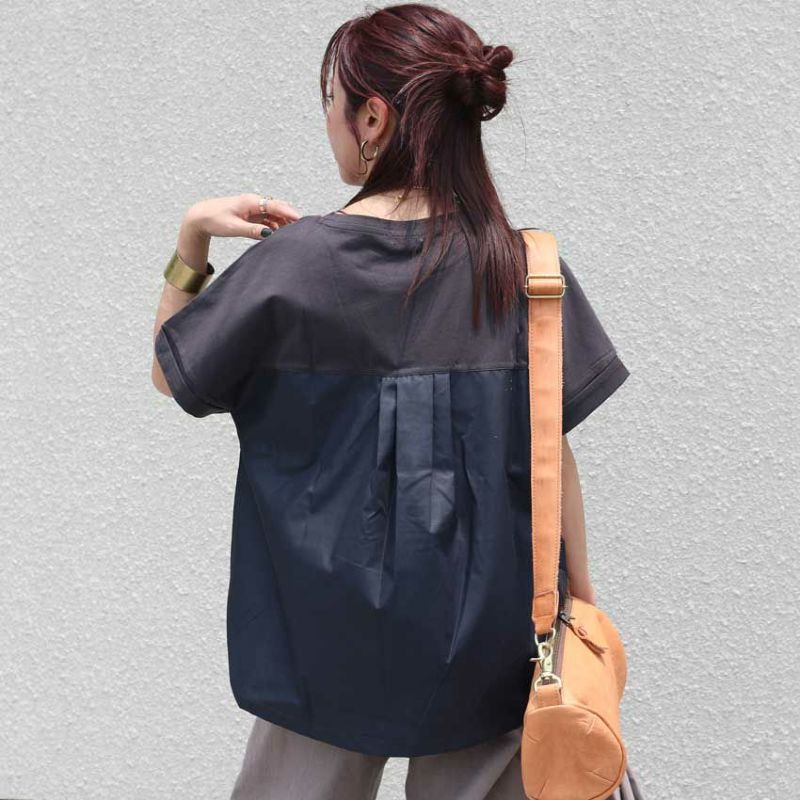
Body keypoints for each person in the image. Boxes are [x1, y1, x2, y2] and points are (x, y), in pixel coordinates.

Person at [151, 4, 644, 799]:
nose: (329, 122)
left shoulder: (295, 265)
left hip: (321, 644)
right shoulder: (524, 271)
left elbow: (172, 374)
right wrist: (578, 607)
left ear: (373, 117)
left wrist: (191, 243)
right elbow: (554, 453)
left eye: (331, 102)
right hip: (490, 645)